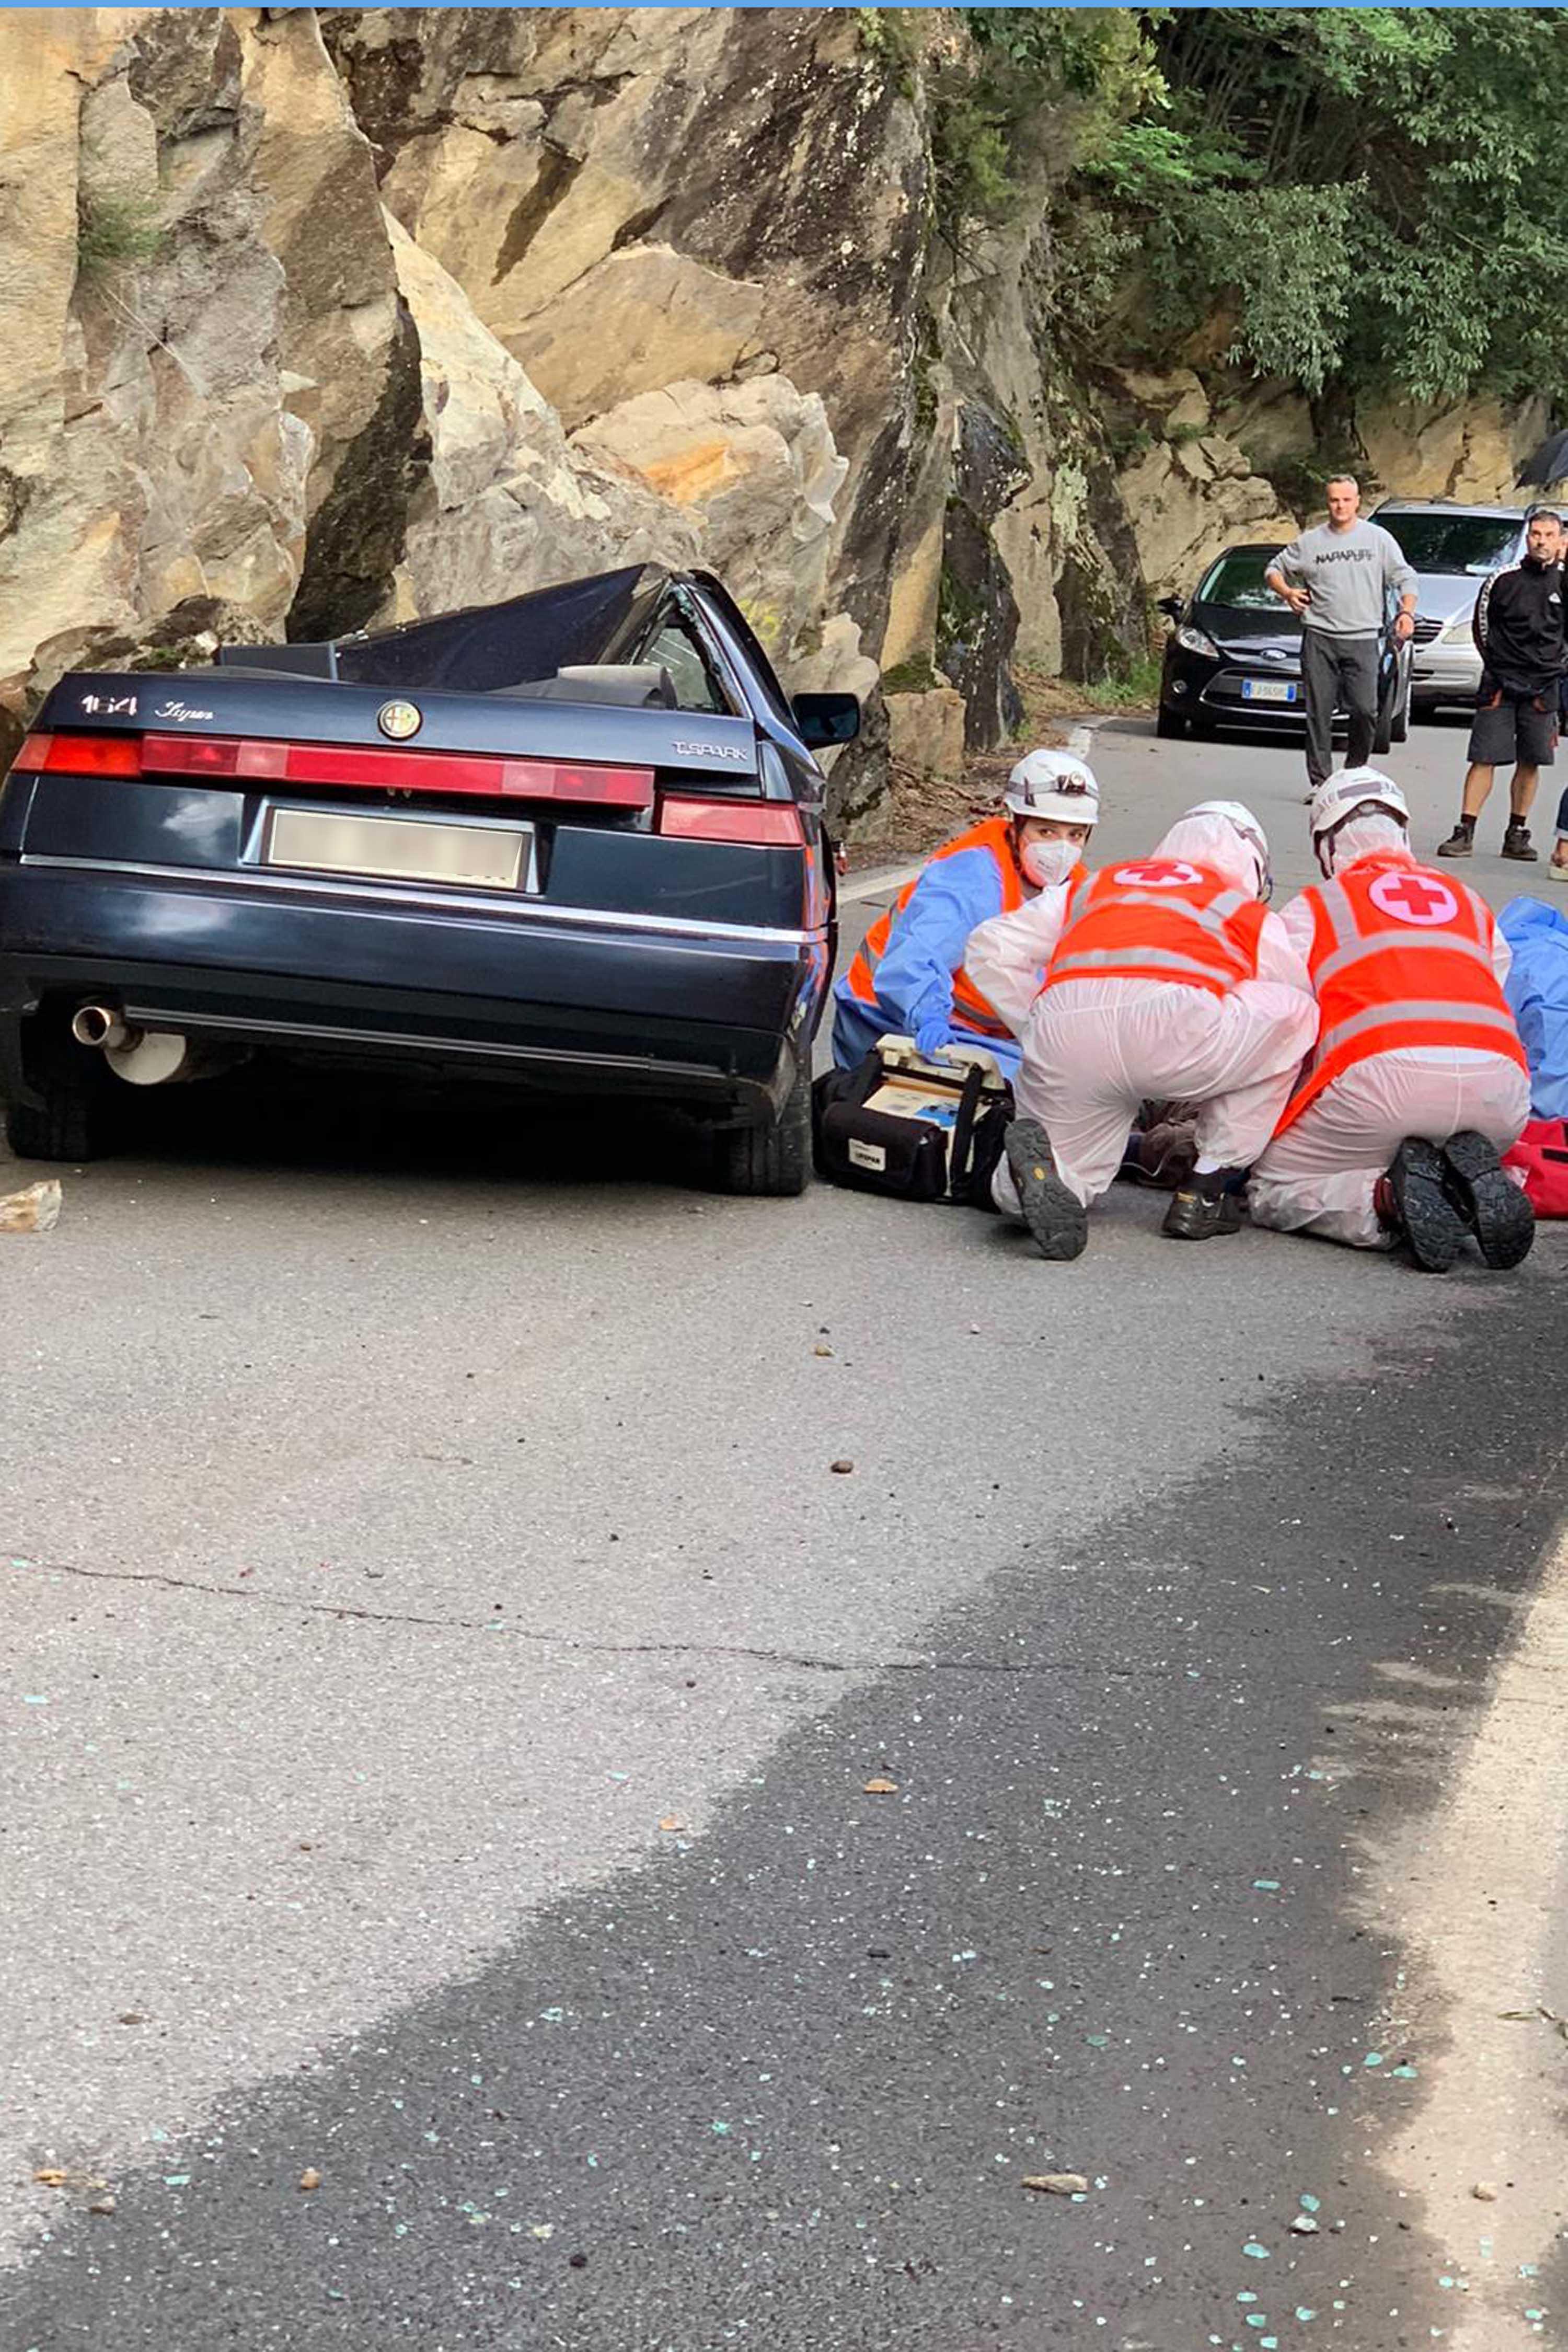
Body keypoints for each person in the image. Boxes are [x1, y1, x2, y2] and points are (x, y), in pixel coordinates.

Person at [965, 802, 1319, 1257]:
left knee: (1069, 1166)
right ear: (1251, 864)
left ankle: (1026, 1182)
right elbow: (1288, 992)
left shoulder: (1094, 887)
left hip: (1070, 1035)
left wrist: (1036, 1026)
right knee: (1296, 1016)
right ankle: (1205, 1188)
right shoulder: (1241, 908)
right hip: (1176, 1036)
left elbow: (989, 946)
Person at [1248, 768, 1533, 1270]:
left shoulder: (1314, 908)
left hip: (1380, 1089)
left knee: (1272, 1185)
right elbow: (1498, 982)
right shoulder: (1468, 900)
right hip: (1501, 1097)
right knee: (1422, 1141)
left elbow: (1283, 1021)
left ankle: (1383, 1200)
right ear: (1402, 830)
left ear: (1326, 846)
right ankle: (1470, 1185)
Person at [831, 748, 1098, 1077]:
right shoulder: (970, 876)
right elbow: (918, 957)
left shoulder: (1079, 891)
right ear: (1016, 826)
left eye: (1075, 835)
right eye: (1046, 832)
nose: (1061, 849)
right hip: (892, 1015)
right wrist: (927, 1013)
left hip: (990, 1032)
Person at [1264, 477, 1417, 795]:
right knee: (1318, 713)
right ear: (1327, 502)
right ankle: (1321, 782)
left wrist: (1406, 612)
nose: (1340, 507)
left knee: (1365, 710)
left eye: (1347, 500)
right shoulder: (1311, 542)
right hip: (1320, 636)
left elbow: (1405, 576)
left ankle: (1355, 772)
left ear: (1358, 502)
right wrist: (1288, 593)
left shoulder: (1378, 539)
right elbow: (1273, 569)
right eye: (1335, 500)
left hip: (1363, 637)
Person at [1438, 507, 1566, 864]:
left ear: (1560, 540)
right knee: (1484, 757)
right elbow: (1482, 628)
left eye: (1548, 535)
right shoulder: (1502, 579)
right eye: (1536, 534)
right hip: (1500, 682)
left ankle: (1517, 833)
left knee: (1531, 761)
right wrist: (1497, 666)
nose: (1541, 541)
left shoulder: (1564, 582)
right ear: (1527, 538)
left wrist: (1555, 668)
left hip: (1544, 686)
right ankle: (1465, 830)